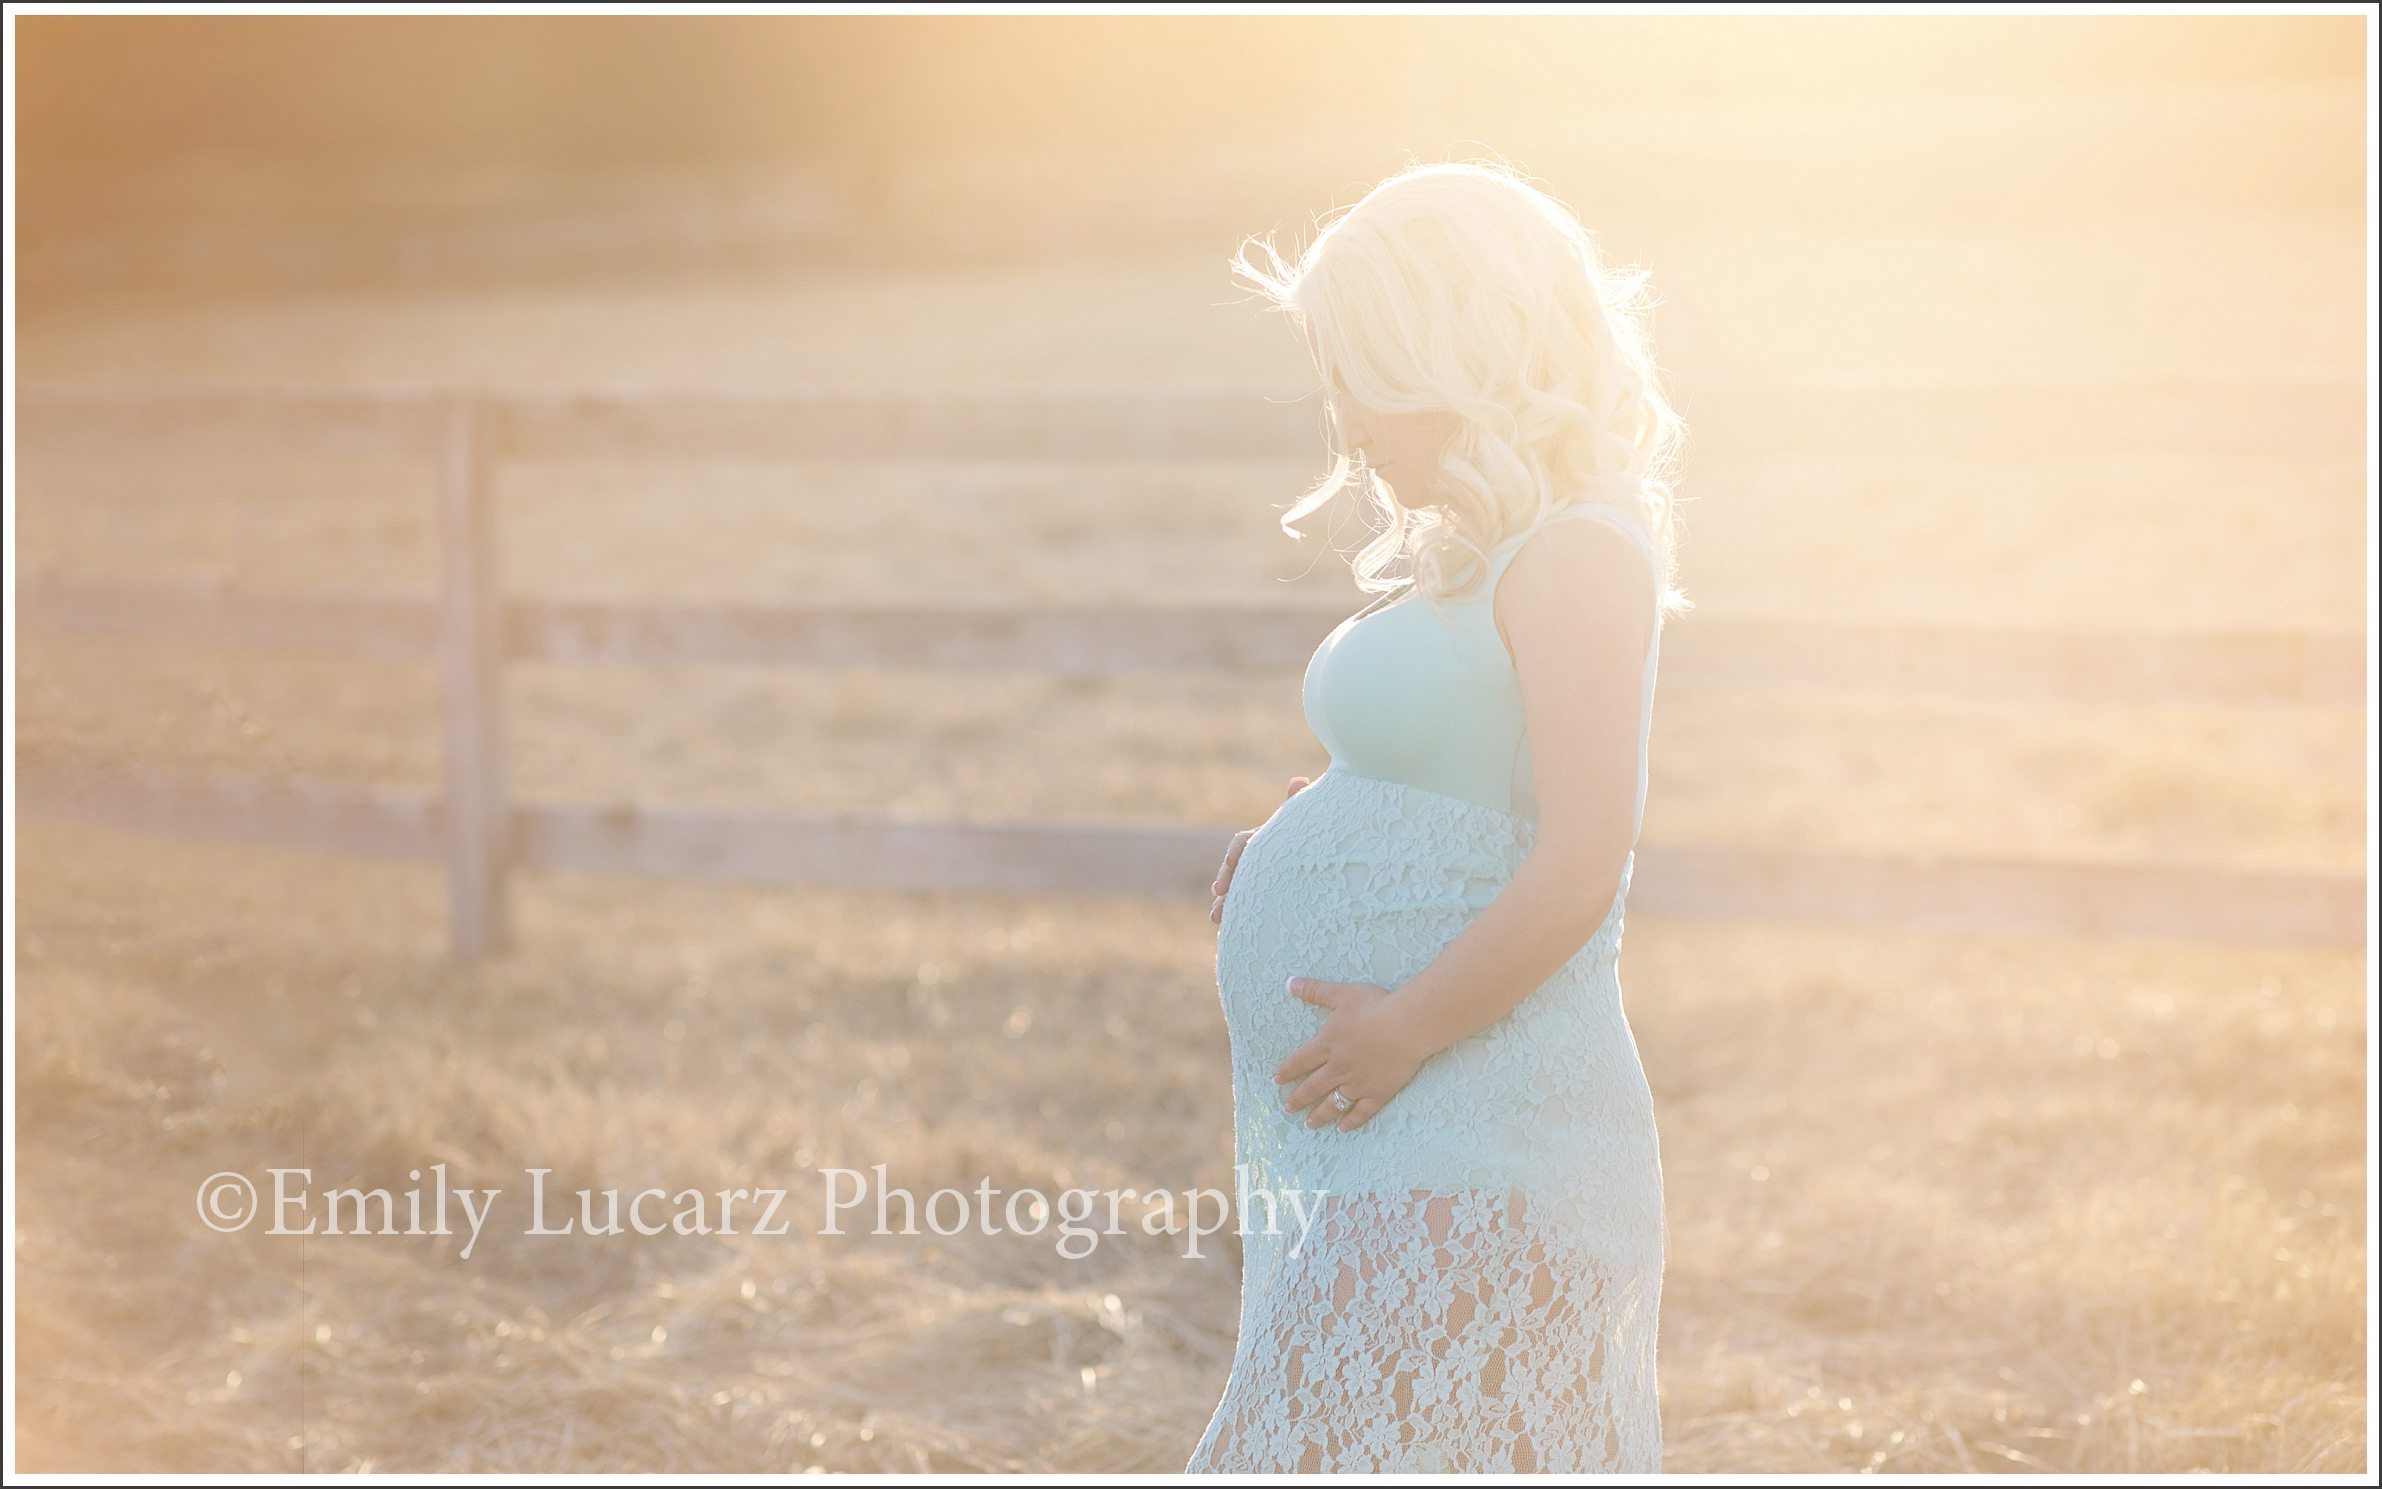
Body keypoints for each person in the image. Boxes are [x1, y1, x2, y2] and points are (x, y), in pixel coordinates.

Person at [1187, 159, 1692, 1474]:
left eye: (1356, 372)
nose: (1342, 418)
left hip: (1487, 1113)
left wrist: (1405, 1024)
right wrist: (1326, 834)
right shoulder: (1476, 559)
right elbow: (1467, 782)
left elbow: (1583, 850)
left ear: (1448, 356)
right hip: (1415, 1120)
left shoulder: (1577, 552)